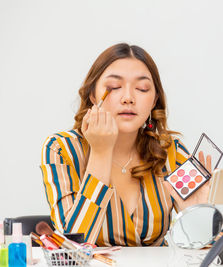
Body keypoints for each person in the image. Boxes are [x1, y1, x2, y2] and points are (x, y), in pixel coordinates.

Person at [40, 43, 211, 246]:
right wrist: (101, 153)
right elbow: (72, 249)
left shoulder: (171, 151)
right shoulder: (60, 149)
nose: (128, 98)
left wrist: (197, 216)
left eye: (142, 88)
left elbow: (212, 252)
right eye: (114, 88)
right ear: (93, 96)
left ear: (154, 99)